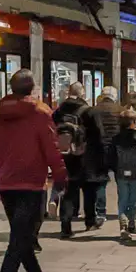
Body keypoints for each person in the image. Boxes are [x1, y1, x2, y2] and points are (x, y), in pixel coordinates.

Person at [0, 69, 67, 272]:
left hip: (6, 183)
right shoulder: (40, 113)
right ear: (32, 88)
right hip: (32, 182)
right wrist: (60, 175)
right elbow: (51, 148)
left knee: (22, 233)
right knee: (22, 234)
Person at [53, 82, 104, 238]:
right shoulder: (88, 111)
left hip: (66, 155)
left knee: (68, 192)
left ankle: (65, 226)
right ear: (82, 94)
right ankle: (90, 221)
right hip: (86, 156)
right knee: (89, 190)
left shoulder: (59, 111)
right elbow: (99, 133)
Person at [110, 109, 136, 239]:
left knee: (122, 198)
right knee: (132, 199)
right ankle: (132, 224)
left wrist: (114, 169)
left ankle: (123, 222)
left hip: (121, 172)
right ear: (134, 122)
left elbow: (111, 157)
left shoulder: (116, 138)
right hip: (135, 172)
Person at [93, 86, 123, 221]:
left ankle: (100, 212)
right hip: (117, 149)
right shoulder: (120, 110)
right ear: (114, 96)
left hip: (99, 148)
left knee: (101, 181)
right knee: (121, 181)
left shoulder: (94, 110)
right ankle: (123, 210)